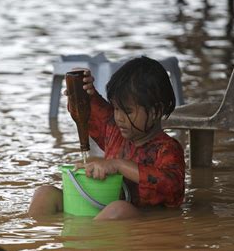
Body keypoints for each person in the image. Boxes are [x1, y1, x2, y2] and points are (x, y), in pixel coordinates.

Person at [28, 56, 185, 220]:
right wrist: (82, 91)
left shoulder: (168, 149)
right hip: (103, 210)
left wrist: (119, 165)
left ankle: (89, 240)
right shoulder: (114, 131)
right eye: (116, 108)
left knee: (119, 209)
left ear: (156, 111)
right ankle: (42, 239)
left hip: (143, 220)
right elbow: (92, 112)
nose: (119, 117)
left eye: (128, 111)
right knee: (44, 194)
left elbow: (172, 186)